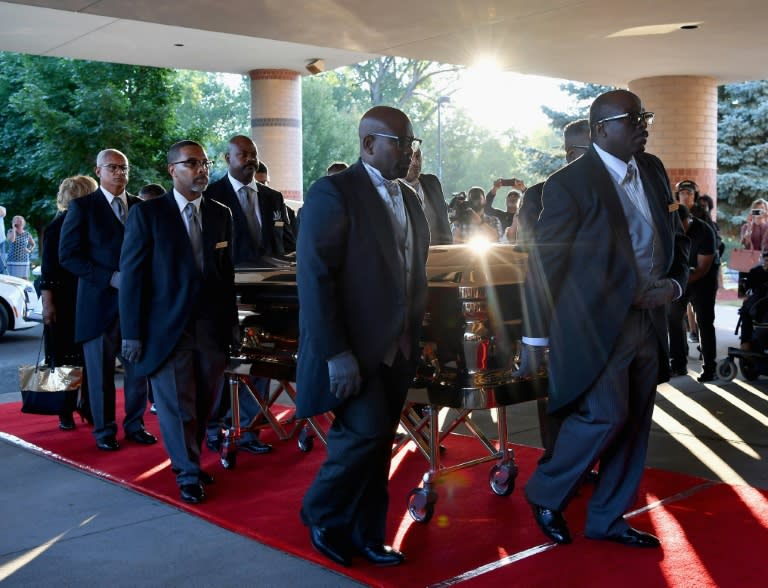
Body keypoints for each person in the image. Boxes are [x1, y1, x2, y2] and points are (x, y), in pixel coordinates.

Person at [518, 89, 689, 548]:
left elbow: (676, 238)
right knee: (605, 414)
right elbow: (545, 265)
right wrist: (534, 337)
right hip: (596, 326)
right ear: (600, 130)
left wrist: (674, 285)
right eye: (631, 118)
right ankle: (547, 491)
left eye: (644, 116)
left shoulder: (652, 170)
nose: (642, 125)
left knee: (635, 422)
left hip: (649, 322)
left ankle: (607, 519)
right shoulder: (569, 184)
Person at [296, 105, 429, 567]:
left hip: (399, 348)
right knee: (363, 438)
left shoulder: (410, 198)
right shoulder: (334, 192)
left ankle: (369, 534)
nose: (409, 152)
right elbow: (316, 278)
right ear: (369, 143)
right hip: (354, 349)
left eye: (413, 143)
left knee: (378, 443)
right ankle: (322, 516)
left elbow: (413, 273)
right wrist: (336, 352)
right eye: (401, 141)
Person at [119, 140, 238, 505]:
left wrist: (232, 327)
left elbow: (226, 276)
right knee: (176, 404)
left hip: (211, 328)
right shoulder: (148, 215)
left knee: (204, 403)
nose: (201, 169)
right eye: (191, 163)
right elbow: (133, 277)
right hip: (166, 329)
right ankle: (186, 472)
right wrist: (132, 334)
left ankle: (190, 461)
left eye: (204, 163)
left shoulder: (221, 214)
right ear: (173, 170)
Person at [59, 148, 155, 452]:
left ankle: (135, 425)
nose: (119, 173)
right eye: (112, 167)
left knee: (138, 372)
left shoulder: (142, 208)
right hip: (98, 305)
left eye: (124, 168)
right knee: (99, 376)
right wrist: (109, 277)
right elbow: (68, 256)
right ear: (98, 171)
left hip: (138, 307)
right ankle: (104, 431)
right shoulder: (83, 207)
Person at [40, 175, 98, 430]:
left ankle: (71, 410)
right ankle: (66, 409)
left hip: (76, 298)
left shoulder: (84, 224)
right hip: (66, 299)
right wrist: (48, 304)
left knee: (71, 357)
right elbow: (48, 270)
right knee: (67, 358)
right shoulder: (57, 226)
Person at [205, 135, 295, 265]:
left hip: (272, 280)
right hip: (233, 281)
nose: (251, 159)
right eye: (244, 155)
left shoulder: (274, 197)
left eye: (254, 155)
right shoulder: (210, 196)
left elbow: (288, 243)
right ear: (228, 158)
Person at [517, 119, 591, 248]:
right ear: (572, 155)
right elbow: (528, 251)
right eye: (594, 152)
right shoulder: (537, 196)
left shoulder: (615, 188)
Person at [667, 204, 719, 381]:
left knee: (704, 321)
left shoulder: (705, 232)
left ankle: (710, 367)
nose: (677, 229)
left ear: (688, 219)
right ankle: (678, 365)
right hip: (681, 276)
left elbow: (703, 268)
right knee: (673, 318)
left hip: (703, 277)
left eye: (680, 225)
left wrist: (680, 279)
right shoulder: (669, 229)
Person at [400, 146, 452, 245]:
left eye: (418, 156)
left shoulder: (432, 183)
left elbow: (444, 223)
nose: (415, 162)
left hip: (441, 255)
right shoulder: (390, 189)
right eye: (410, 157)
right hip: (410, 258)